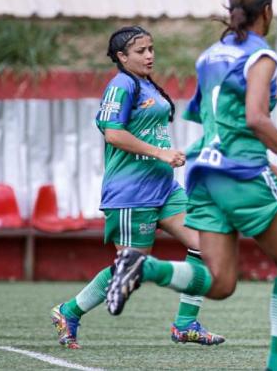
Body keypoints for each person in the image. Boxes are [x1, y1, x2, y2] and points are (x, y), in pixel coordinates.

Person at [104, 0, 277, 371]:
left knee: (220, 282)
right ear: (267, 12)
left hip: (205, 175)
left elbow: (214, 123)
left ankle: (143, 265)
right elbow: (255, 117)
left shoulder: (209, 57)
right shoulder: (261, 55)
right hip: (240, 172)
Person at [50, 26, 224, 349]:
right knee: (130, 269)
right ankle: (68, 311)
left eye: (151, 49)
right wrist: (160, 152)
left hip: (164, 189)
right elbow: (113, 134)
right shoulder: (120, 86)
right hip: (131, 193)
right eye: (141, 51)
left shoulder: (147, 86)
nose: (149, 55)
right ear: (121, 57)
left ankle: (185, 324)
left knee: (206, 242)